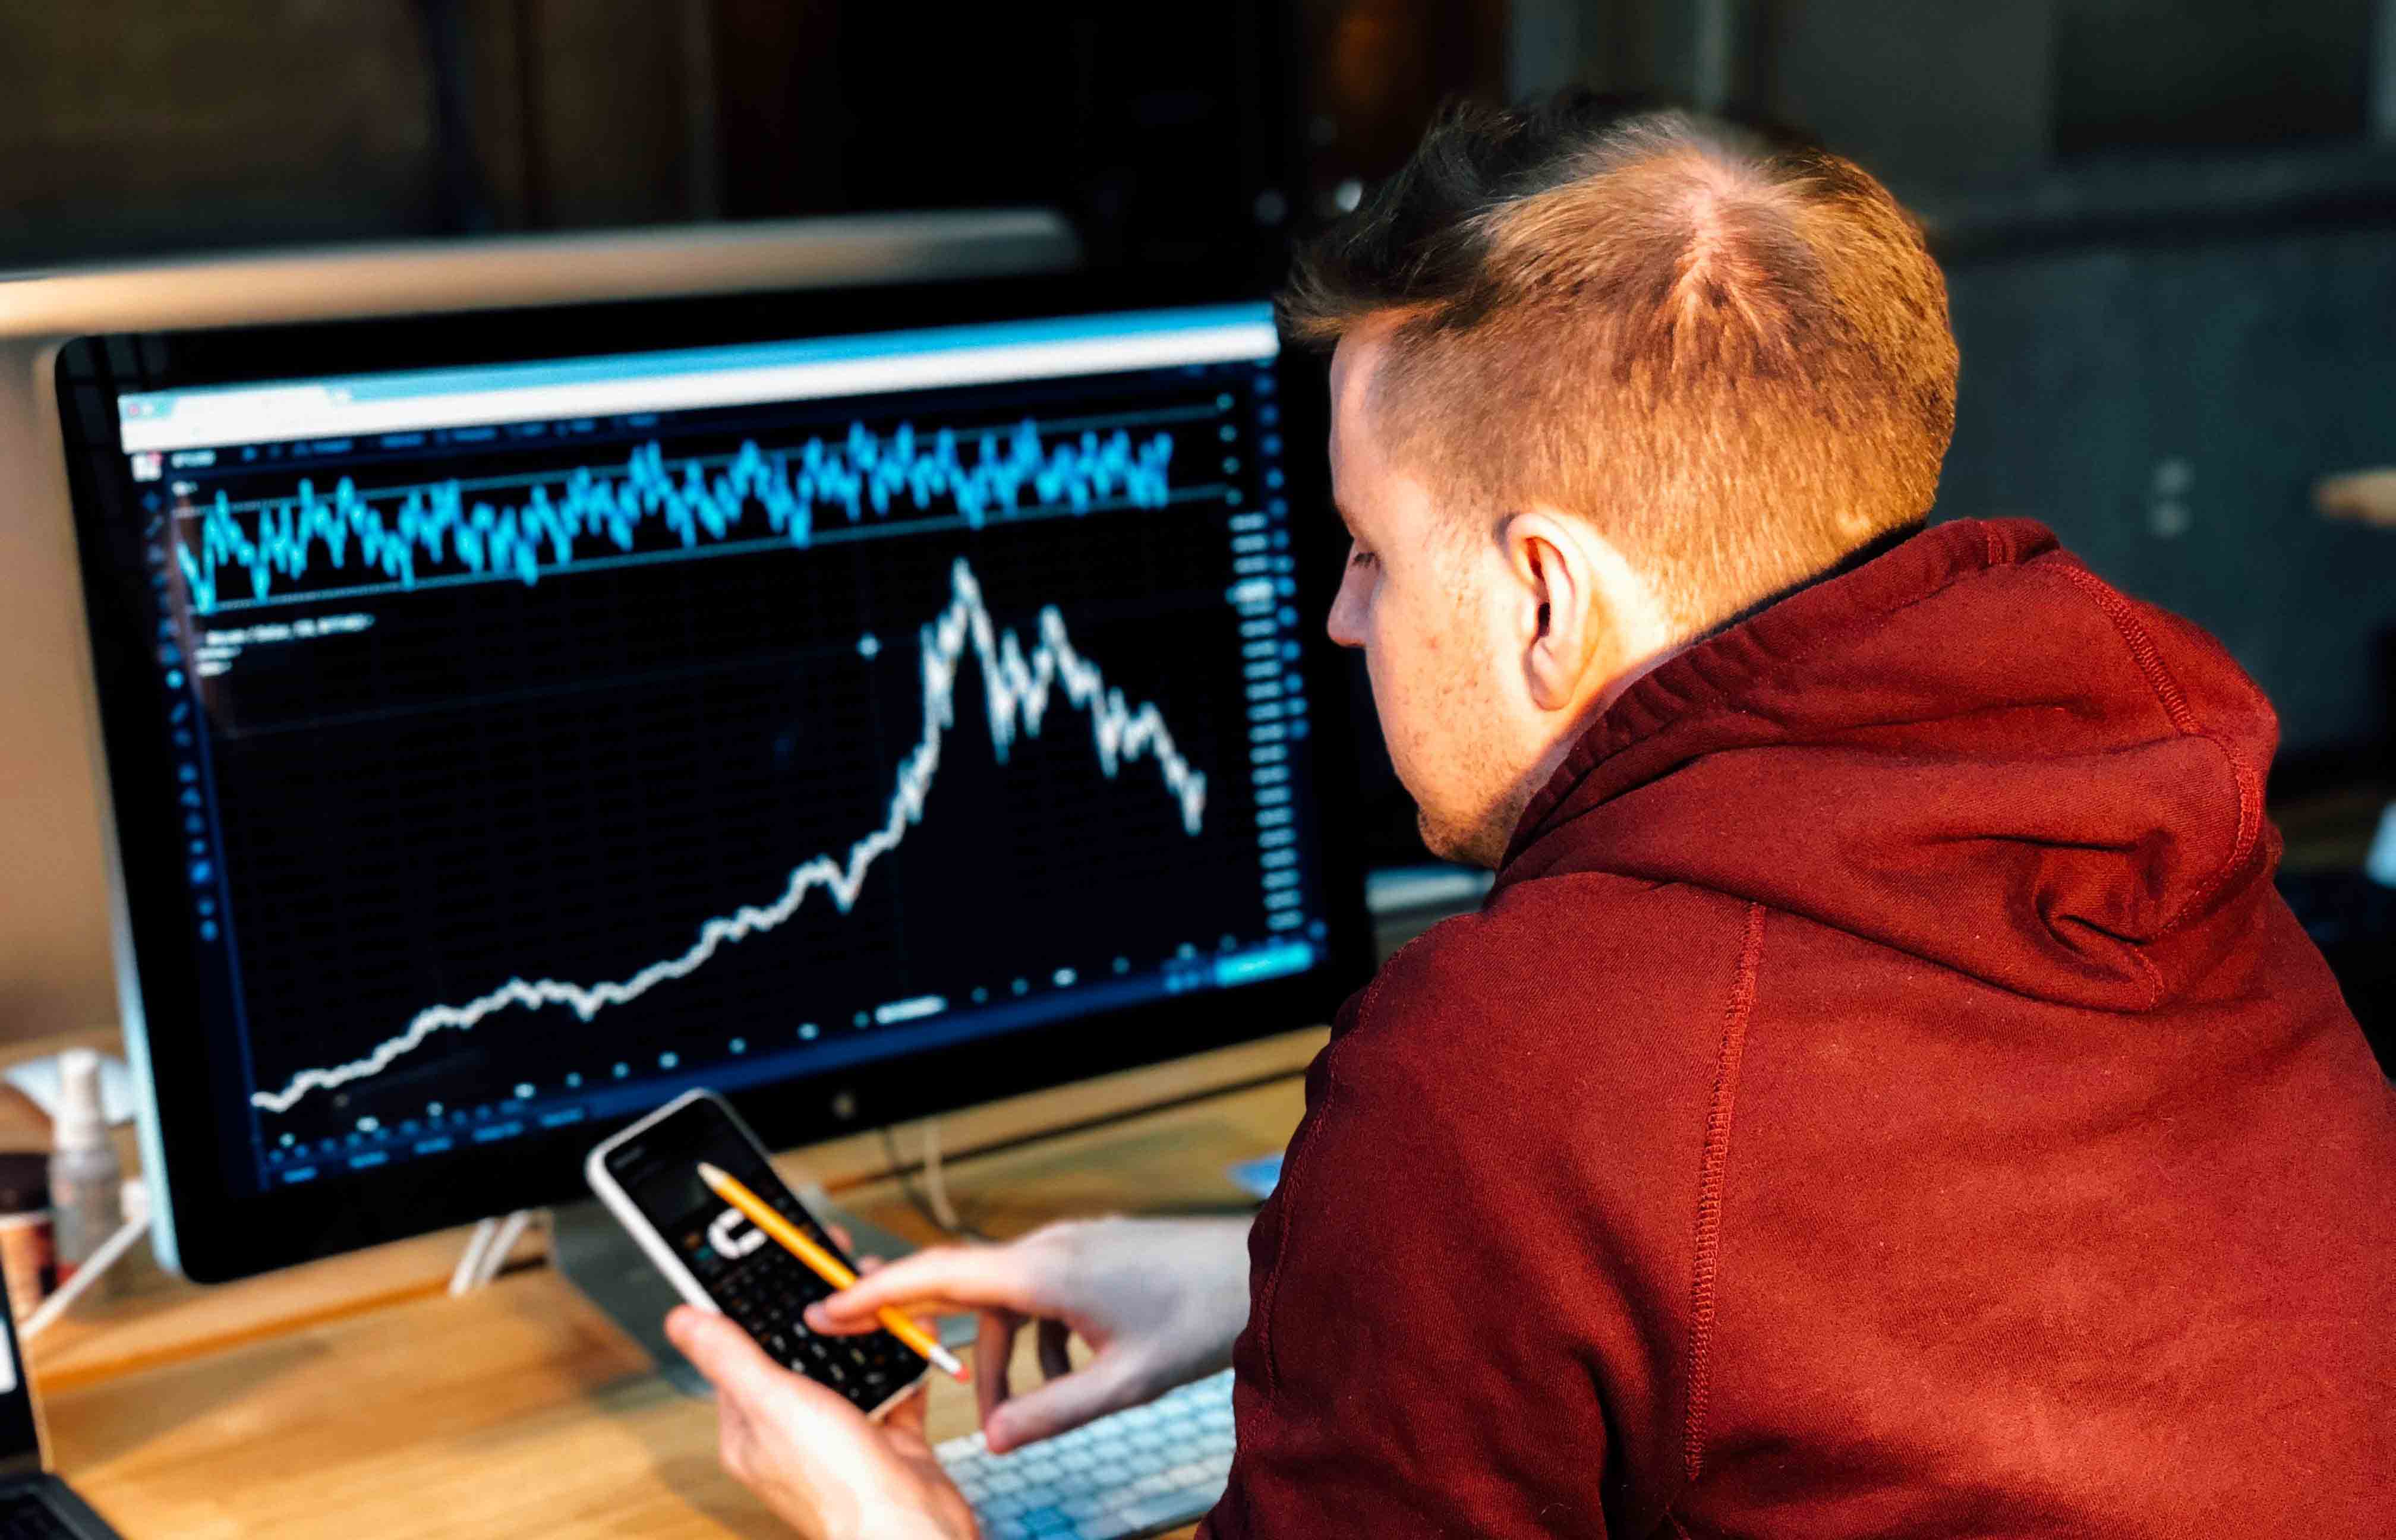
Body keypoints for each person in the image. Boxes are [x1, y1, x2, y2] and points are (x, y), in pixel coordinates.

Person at [666, 93, 2396, 1538]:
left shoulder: (1518, 1059)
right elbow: (1849, 1293)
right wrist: (1295, 1277)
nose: (1340, 618)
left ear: (1546, 598)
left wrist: (900, 1528)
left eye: (1370, 550)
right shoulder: (2168, 850)